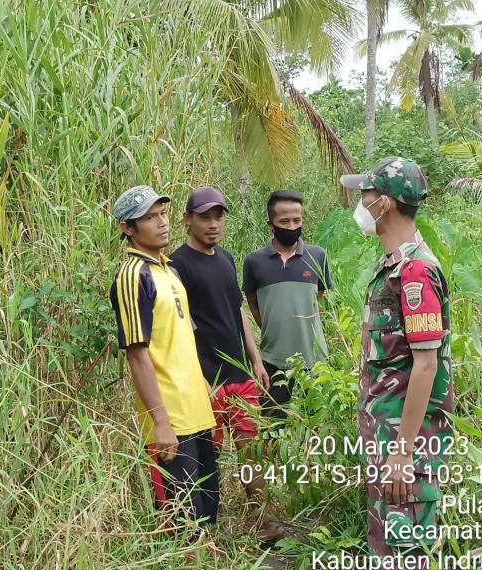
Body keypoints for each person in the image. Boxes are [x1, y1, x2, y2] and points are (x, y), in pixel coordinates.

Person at [341, 157, 453, 570]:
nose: (360, 202)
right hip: (388, 434)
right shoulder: (392, 268)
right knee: (390, 548)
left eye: (365, 195)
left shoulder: (415, 272)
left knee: (409, 562)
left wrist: (404, 453)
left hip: (406, 442)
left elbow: (426, 365)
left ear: (383, 204)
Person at [169, 186, 289, 547]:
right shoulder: (177, 265)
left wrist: (254, 358)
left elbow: (237, 309)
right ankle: (208, 528)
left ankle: (263, 520)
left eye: (218, 216)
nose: (213, 223)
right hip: (208, 380)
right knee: (211, 455)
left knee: (251, 449)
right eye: (204, 216)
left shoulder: (226, 258)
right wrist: (198, 376)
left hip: (239, 375)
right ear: (187, 219)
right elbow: (181, 324)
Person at [109, 185, 219, 537]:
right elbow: (137, 354)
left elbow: (179, 338)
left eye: (163, 214)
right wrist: (160, 422)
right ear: (128, 228)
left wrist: (201, 382)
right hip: (170, 416)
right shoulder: (133, 276)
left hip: (196, 410)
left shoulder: (168, 271)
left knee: (206, 510)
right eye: (149, 218)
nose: (161, 223)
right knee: (183, 519)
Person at [242, 189, 333, 418]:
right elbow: (253, 303)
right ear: (270, 224)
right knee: (275, 431)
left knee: (315, 431)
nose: (291, 227)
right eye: (284, 221)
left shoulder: (317, 256)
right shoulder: (254, 261)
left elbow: (319, 299)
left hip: (315, 363)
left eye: (297, 220)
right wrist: (274, 330)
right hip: (273, 362)